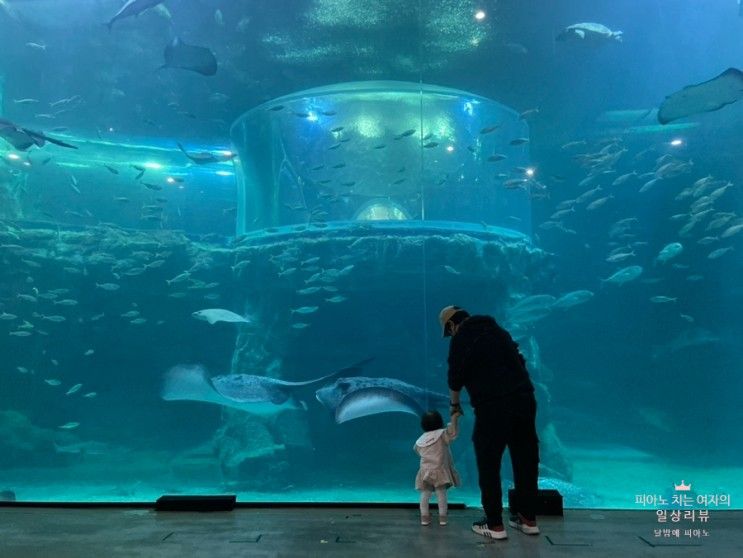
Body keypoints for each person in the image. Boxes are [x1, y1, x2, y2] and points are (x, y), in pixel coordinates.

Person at [439, 305, 540, 540]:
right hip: (524, 399)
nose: (450, 336)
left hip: (493, 406)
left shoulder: (462, 338)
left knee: (489, 461)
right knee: (526, 458)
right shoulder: (499, 331)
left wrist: (454, 407)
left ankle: (495, 524)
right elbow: (520, 360)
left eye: (449, 331)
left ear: (452, 324)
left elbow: (455, 377)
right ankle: (528, 519)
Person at [414, 409, 461, 526]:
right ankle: (443, 519)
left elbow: (416, 450)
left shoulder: (421, 439)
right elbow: (453, 433)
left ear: (423, 425)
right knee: (441, 494)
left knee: (425, 494)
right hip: (439, 470)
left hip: (425, 471)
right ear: (440, 422)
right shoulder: (442, 434)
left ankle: (424, 518)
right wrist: (454, 418)